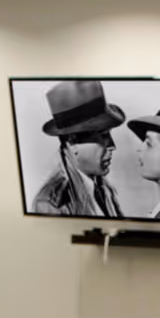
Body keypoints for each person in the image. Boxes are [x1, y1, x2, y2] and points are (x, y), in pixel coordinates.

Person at [30, 80, 125, 217]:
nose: (112, 146)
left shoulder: (105, 189)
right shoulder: (52, 204)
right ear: (72, 142)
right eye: (103, 136)